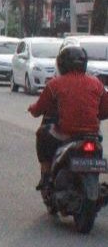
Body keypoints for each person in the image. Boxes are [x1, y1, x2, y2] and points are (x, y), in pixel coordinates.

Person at [27, 44, 108, 188]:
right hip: (93, 135)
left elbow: (38, 109)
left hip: (66, 133)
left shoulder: (55, 84)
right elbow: (105, 111)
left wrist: (31, 109)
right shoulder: (97, 84)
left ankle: (46, 174)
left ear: (61, 64)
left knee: (42, 133)